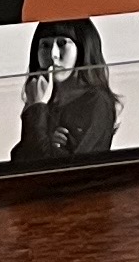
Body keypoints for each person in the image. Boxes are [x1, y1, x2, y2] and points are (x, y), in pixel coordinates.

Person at [10, 18, 121, 165]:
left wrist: (36, 109)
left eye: (62, 43)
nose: (53, 55)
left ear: (83, 48)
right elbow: (19, 161)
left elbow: (62, 168)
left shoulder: (97, 102)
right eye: (45, 45)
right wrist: (46, 139)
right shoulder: (44, 99)